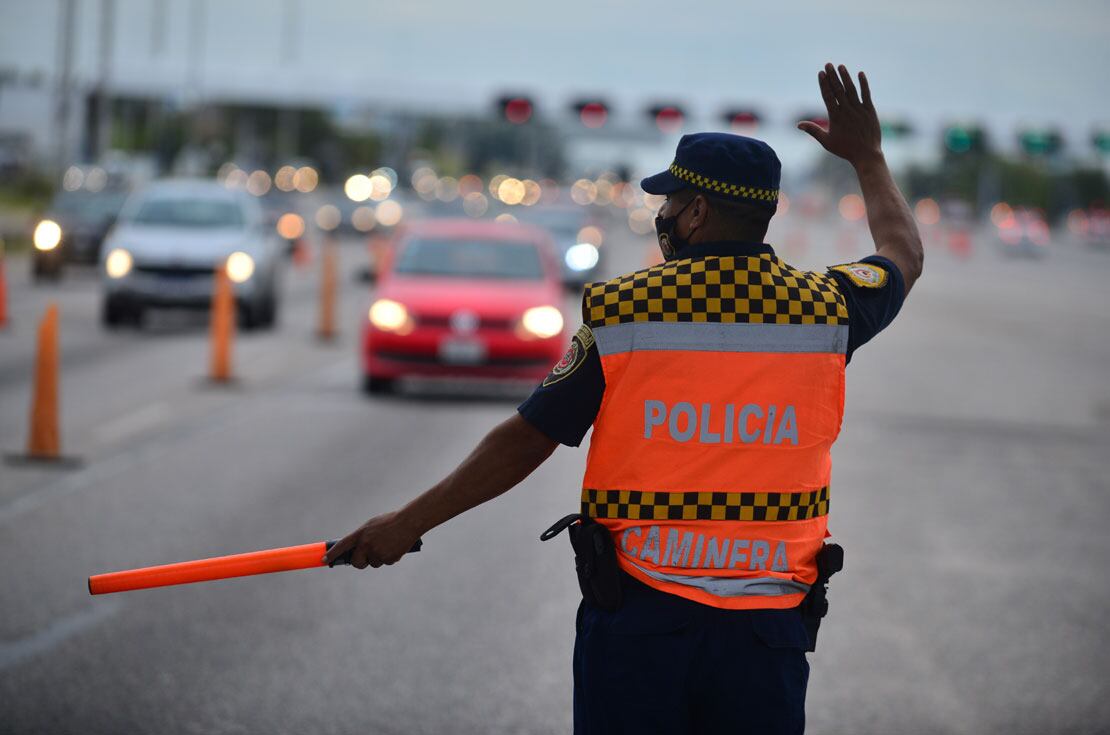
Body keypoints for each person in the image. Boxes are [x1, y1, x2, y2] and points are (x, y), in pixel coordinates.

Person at [325, 63, 923, 733]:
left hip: (643, 623)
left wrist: (409, 521)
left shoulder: (626, 310)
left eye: (669, 203)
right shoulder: (828, 310)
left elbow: (529, 436)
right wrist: (868, 157)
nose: (661, 216)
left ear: (696, 212)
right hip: (767, 633)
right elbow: (902, 251)